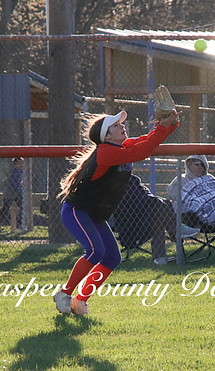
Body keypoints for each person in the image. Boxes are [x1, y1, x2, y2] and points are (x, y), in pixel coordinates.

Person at [55, 108, 182, 315]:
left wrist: (168, 125)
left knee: (112, 257)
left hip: (93, 213)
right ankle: (64, 293)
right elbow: (141, 151)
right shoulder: (106, 151)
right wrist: (163, 127)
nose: (122, 126)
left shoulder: (120, 146)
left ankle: (80, 300)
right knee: (95, 251)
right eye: (115, 125)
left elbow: (145, 141)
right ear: (106, 136)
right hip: (77, 211)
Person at [110, 174, 199, 265]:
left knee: (159, 219)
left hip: (145, 222)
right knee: (159, 204)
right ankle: (176, 230)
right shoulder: (116, 188)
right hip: (130, 231)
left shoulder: (135, 183)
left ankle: (160, 257)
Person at [0, 157, 23, 232]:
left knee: (23, 207)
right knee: (5, 209)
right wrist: (21, 190)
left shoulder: (21, 171)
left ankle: (20, 224)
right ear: (15, 164)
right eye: (19, 163)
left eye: (22, 163)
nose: (21, 165)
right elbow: (15, 184)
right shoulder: (14, 171)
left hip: (17, 193)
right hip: (10, 193)